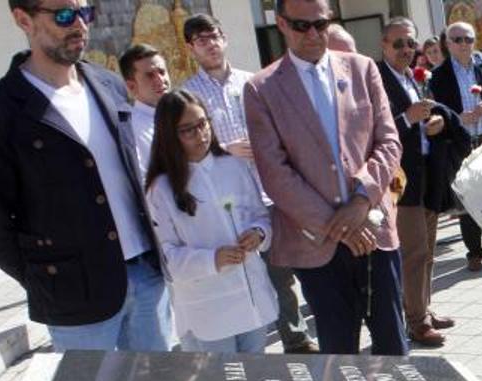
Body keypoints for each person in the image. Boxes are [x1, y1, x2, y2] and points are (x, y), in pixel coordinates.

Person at [0, 0, 173, 353]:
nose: (78, 24)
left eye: (85, 12)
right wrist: (43, 279)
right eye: (63, 15)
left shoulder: (108, 84)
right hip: (76, 296)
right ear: (23, 19)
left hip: (146, 277)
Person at [244, 0, 407, 356]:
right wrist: (341, 225)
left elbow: (389, 142)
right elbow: (275, 173)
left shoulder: (362, 70)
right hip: (316, 244)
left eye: (321, 24)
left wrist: (362, 202)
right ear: (282, 24)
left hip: (374, 233)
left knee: (394, 347)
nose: (314, 34)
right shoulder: (262, 89)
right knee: (338, 356)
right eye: (303, 26)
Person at [182, 13, 320, 356]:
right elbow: (187, 148)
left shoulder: (252, 83)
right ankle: (261, 339)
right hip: (229, 200)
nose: (210, 44)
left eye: (213, 36)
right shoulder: (187, 94)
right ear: (190, 48)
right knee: (250, 272)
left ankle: (296, 337)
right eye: (201, 40)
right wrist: (225, 150)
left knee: (288, 267)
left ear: (224, 38)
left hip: (271, 188)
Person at [145, 91, 276, 353]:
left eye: (203, 124)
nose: (201, 134)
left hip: (253, 302)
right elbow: (167, 256)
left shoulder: (234, 166)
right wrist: (212, 259)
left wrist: (259, 233)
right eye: (188, 130)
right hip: (208, 309)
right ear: (170, 135)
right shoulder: (161, 189)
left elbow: (260, 215)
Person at [377, 16, 470, 347]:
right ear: (384, 45)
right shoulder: (377, 79)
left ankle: (423, 309)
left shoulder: (410, 77)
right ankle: (415, 321)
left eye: (410, 43)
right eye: (398, 43)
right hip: (402, 183)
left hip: (428, 173)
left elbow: (418, 119)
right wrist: (407, 119)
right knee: (414, 252)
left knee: (428, 250)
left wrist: (431, 125)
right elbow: (377, 131)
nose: (406, 49)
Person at [429, 21, 482, 272]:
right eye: (458, 40)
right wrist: (457, 117)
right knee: (467, 199)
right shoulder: (438, 75)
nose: (464, 44)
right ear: (447, 44)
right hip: (460, 144)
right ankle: (474, 252)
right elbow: (434, 112)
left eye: (468, 39)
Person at [119, 43, 171, 183]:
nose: (160, 80)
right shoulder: (131, 130)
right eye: (150, 75)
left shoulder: (184, 114)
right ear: (131, 86)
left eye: (162, 72)